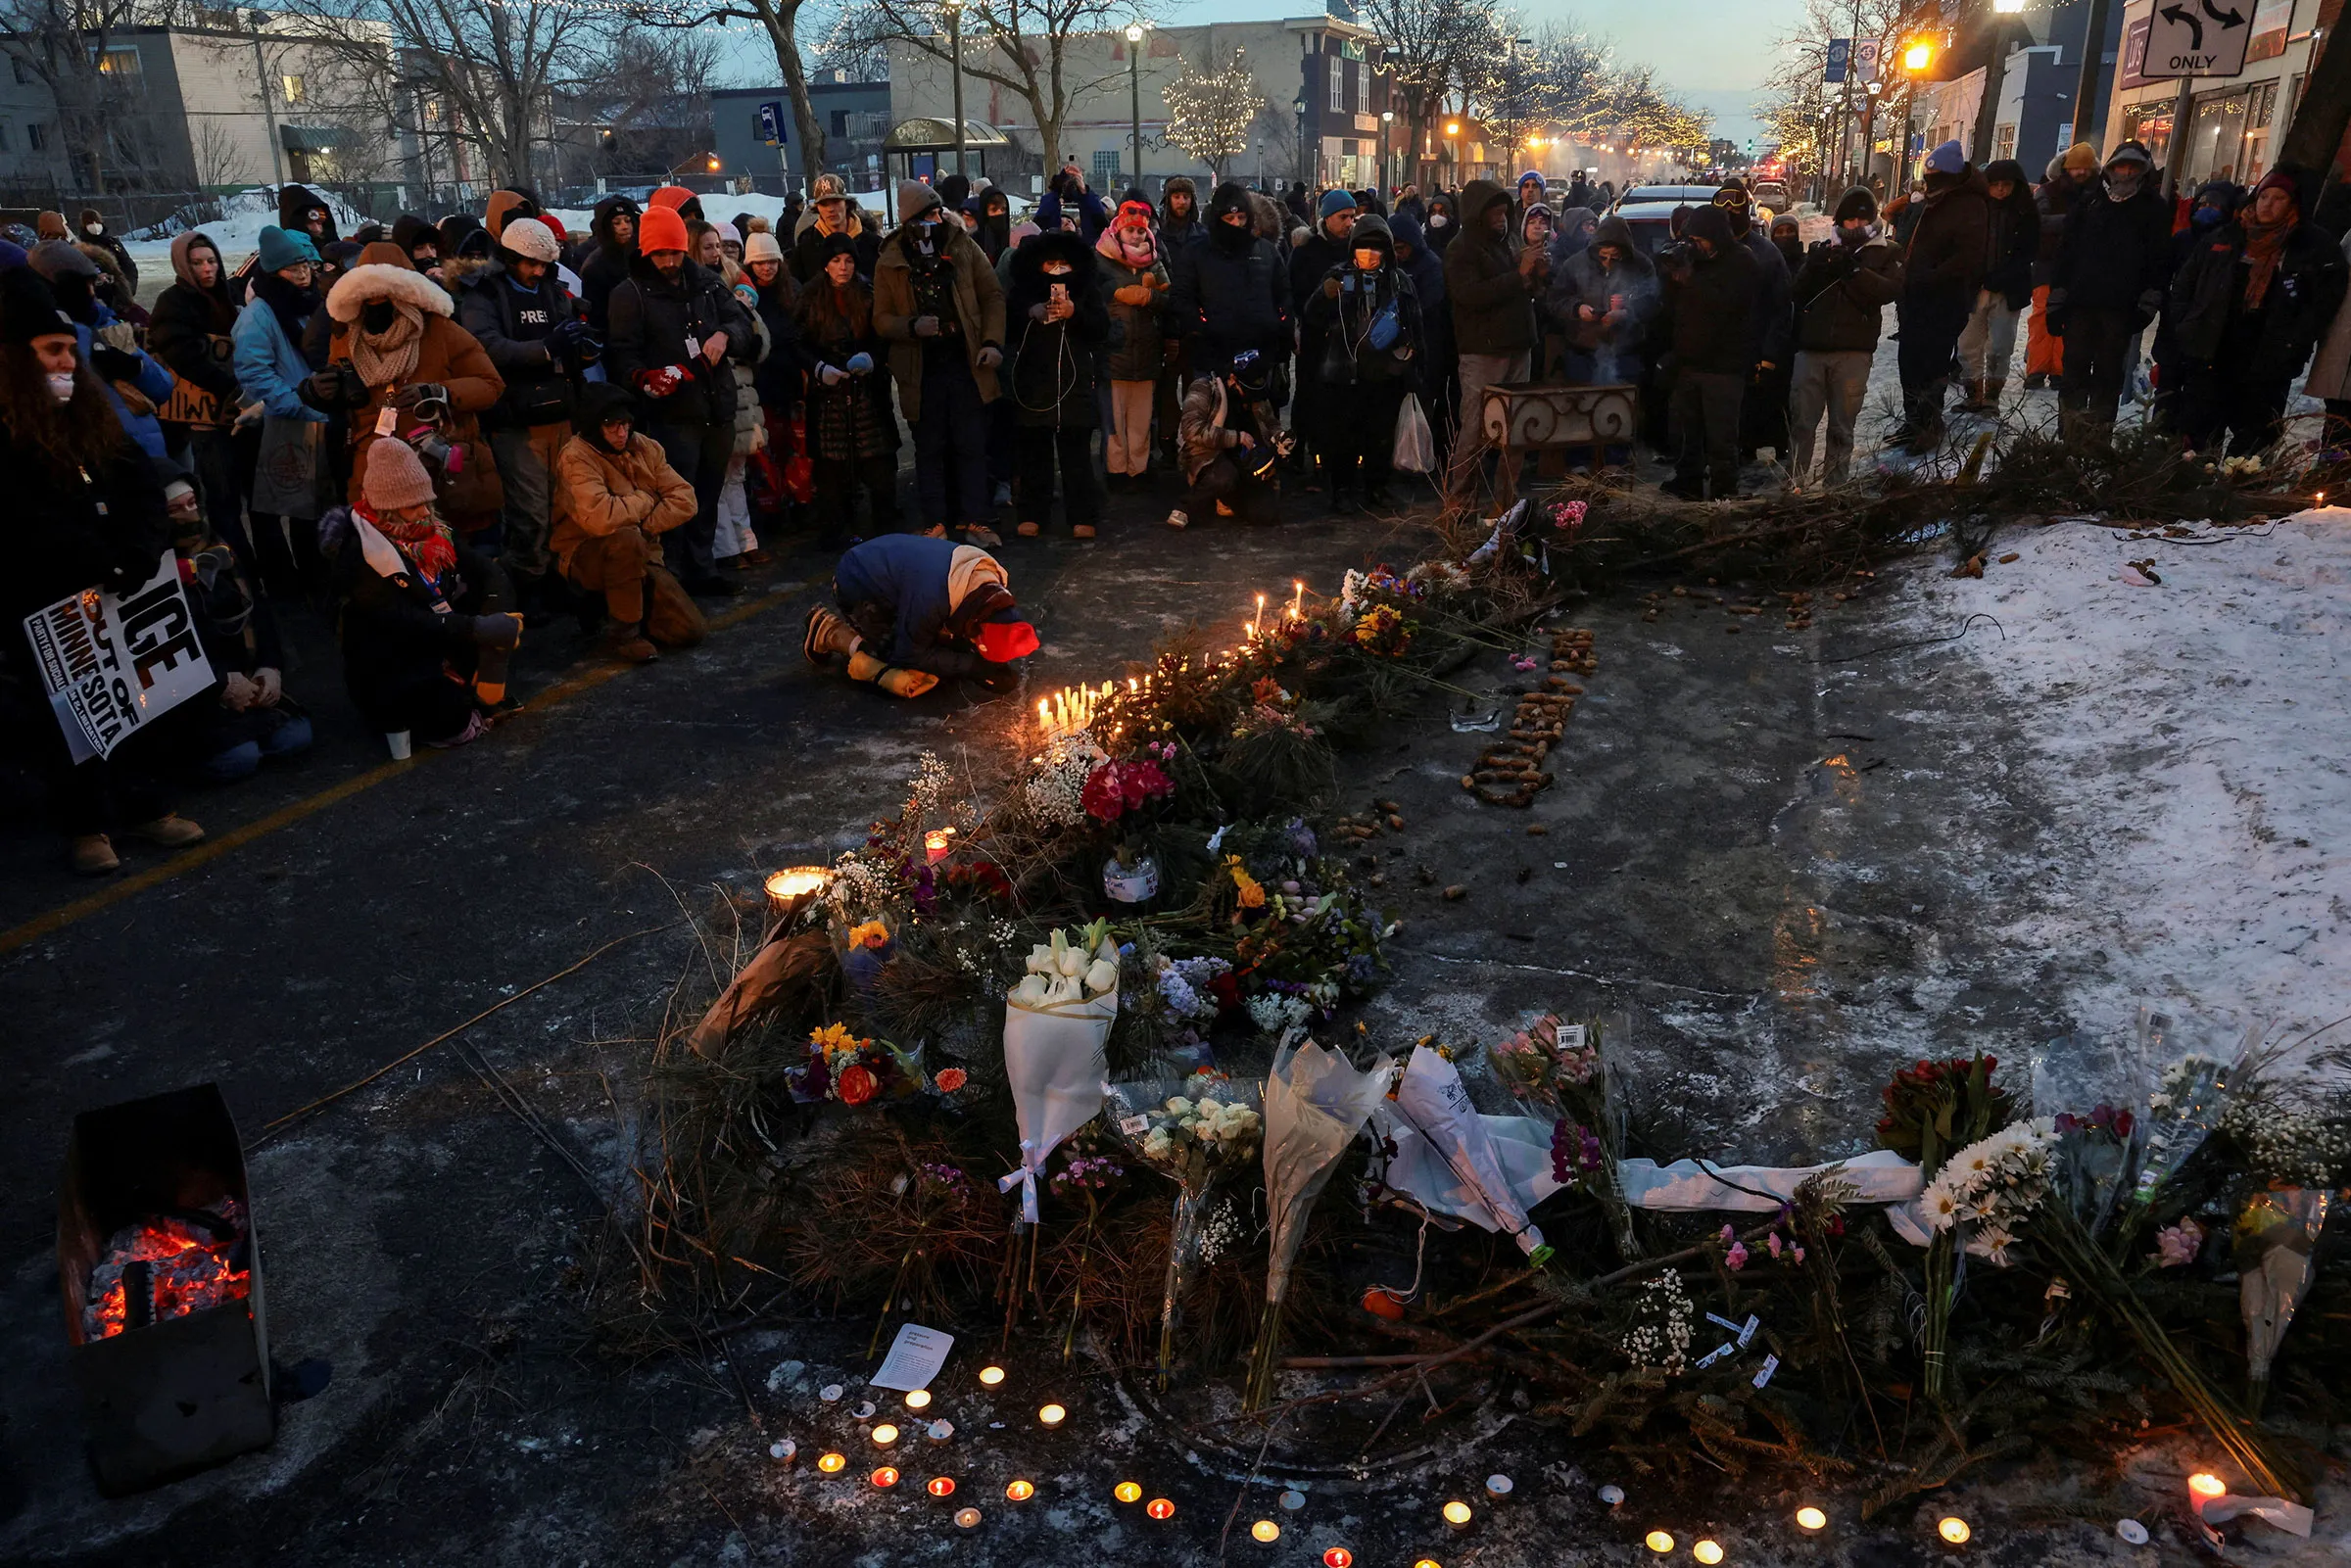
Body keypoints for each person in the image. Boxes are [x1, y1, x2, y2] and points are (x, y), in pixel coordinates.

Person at [0, 266, 206, 875]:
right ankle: (85, 824)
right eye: (53, 350)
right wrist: (100, 556)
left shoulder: (86, 409)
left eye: (69, 349)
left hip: (118, 587)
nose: (67, 362)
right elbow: (21, 515)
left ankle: (145, 805)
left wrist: (141, 548)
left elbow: (139, 477)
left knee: (135, 697)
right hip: (45, 595)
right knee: (64, 713)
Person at [324, 438, 518, 746]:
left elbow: (486, 570)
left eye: (426, 501)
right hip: (390, 665)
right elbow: (402, 621)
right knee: (450, 713)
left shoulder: (432, 532)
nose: (425, 512)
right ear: (388, 507)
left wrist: (493, 612)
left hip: (433, 646)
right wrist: (475, 629)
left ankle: (467, 689)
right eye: (414, 505)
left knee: (495, 619)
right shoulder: (360, 557)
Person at [607, 201, 758, 593]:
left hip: (716, 404)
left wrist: (725, 336)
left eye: (674, 251)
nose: (670, 261)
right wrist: (643, 378)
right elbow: (622, 355)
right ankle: (672, 574)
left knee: (708, 493)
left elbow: (742, 322)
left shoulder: (706, 283)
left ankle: (702, 568)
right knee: (676, 497)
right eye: (661, 254)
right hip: (673, 413)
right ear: (646, 252)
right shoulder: (631, 294)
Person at [317, 246, 507, 553]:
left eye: (387, 293)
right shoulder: (346, 339)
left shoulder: (440, 330)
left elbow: (490, 385)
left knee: (465, 560)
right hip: (380, 477)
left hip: (444, 470)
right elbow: (346, 401)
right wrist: (318, 391)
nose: (378, 302)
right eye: (370, 295)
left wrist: (439, 392)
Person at [456, 216, 593, 618]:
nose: (538, 272)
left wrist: (583, 347)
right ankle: (527, 584)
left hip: (559, 409)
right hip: (515, 418)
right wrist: (545, 348)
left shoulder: (553, 290)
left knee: (563, 503)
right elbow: (485, 346)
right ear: (510, 258)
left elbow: (570, 336)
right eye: (531, 264)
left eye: (544, 265)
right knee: (528, 509)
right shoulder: (483, 294)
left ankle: (559, 577)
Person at [2167, 167, 2347, 455]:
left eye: (2278, 198)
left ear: (2293, 204)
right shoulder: (2224, 237)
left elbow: (2323, 304)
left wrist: (2294, 342)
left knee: (2253, 444)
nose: (2268, 205)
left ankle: (2242, 494)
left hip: (2267, 360)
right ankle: (2190, 493)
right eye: (2264, 196)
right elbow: (2185, 285)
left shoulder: (2311, 247)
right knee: (2198, 437)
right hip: (2212, 352)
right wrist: (2187, 324)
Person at [876, 179, 1007, 546]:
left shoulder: (961, 244)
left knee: (971, 444)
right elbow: (881, 318)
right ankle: (935, 521)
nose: (938, 218)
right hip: (920, 369)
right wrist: (912, 326)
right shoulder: (891, 259)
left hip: (965, 362)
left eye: (938, 211)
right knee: (929, 448)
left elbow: (992, 295)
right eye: (928, 214)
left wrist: (992, 341)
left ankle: (976, 519)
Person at [552, 382, 706, 662]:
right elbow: (601, 519)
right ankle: (624, 634)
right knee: (624, 540)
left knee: (690, 631)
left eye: (625, 424)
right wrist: (647, 500)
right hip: (585, 551)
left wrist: (643, 526)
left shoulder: (645, 447)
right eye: (612, 426)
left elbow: (685, 500)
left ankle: (623, 606)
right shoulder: (576, 456)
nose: (621, 433)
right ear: (594, 426)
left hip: (642, 549)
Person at [802, 532, 1037, 697]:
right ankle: (831, 633)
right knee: (903, 667)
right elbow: (909, 653)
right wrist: (973, 666)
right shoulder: (933, 599)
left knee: (946, 656)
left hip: (892, 571)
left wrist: (978, 660)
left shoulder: (992, 582)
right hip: (856, 583)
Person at [232, 225, 335, 599]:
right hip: (290, 423)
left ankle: (323, 576)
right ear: (275, 273)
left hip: (322, 416)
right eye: (294, 269)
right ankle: (308, 587)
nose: (303, 273)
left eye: (305, 266)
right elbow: (254, 373)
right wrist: (295, 401)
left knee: (323, 507)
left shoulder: (309, 304)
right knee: (301, 514)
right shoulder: (259, 316)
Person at [2047, 140, 2172, 435]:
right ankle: (2069, 432)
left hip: (2120, 307)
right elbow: (2066, 253)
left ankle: (2098, 437)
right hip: (2080, 303)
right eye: (2120, 166)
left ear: (2143, 170)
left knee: (2108, 374)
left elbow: (2159, 260)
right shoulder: (2091, 202)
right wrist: (2057, 297)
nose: (2125, 173)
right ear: (2111, 168)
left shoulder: (2153, 208)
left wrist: (2148, 301)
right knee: (2074, 370)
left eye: (2133, 167)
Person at [1304, 213, 1422, 512]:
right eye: (1362, 246)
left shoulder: (1398, 280)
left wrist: (1412, 367)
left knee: (1380, 436)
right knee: (1342, 437)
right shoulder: (1337, 276)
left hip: (1384, 374)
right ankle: (1341, 489)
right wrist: (1325, 295)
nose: (1368, 253)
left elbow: (1416, 325)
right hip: (1344, 373)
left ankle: (1376, 487)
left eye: (1376, 247)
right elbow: (1312, 317)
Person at [149, 231, 253, 570]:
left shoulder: (227, 295)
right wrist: (231, 389)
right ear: (183, 265)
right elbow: (183, 356)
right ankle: (240, 570)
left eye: (212, 261)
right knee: (222, 501)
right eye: (197, 263)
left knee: (256, 497)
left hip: (241, 411)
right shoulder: (173, 302)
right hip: (206, 419)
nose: (207, 269)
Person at [1788, 189, 1903, 487]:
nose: (1854, 224)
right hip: (1812, 348)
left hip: (1854, 353)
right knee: (1801, 422)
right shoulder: (1824, 247)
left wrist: (1854, 271)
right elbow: (1797, 294)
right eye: (1849, 218)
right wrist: (1813, 266)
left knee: (1842, 427)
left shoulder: (1886, 251)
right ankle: (1794, 484)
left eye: (1861, 218)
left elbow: (1888, 291)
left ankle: (1834, 488)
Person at [1443, 178, 1544, 507]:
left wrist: (1536, 273)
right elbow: (1470, 295)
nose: (1502, 218)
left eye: (1504, 212)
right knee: (1474, 429)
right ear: (1478, 214)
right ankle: (1459, 504)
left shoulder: (1507, 241)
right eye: (1495, 213)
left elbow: (1519, 289)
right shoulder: (1462, 248)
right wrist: (1518, 275)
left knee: (1514, 430)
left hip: (1517, 344)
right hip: (1483, 351)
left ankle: (1506, 503)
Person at [795, 233, 899, 546]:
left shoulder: (869, 292)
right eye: (836, 261)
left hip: (867, 393)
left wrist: (872, 357)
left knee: (879, 466)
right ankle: (837, 529)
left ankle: (885, 527)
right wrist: (818, 368)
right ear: (825, 265)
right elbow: (797, 342)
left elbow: (883, 335)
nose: (843, 267)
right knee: (832, 471)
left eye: (849, 260)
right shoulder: (810, 297)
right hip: (829, 397)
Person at [1004, 228, 1108, 539]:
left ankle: (1082, 514)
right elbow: (1007, 325)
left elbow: (1101, 328)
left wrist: (1076, 313)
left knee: (1076, 455)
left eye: (1063, 263)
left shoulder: (1087, 291)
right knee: (1034, 453)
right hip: (1034, 383)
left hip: (1074, 383)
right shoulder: (1023, 291)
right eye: (1050, 263)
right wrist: (1029, 313)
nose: (1058, 269)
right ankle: (1033, 512)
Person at [1886, 142, 1988, 452]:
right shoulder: (1930, 202)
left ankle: (1928, 425)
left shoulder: (1970, 206)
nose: (1930, 183)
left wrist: (1927, 277)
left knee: (1932, 365)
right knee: (1910, 362)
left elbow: (1967, 258)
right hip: (1915, 297)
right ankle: (1912, 421)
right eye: (1927, 177)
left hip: (1944, 300)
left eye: (1935, 177)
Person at [1657, 204, 1758, 500]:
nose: (1695, 246)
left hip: (1724, 366)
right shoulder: (1694, 261)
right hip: (1688, 362)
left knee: (1721, 435)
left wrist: (1691, 281)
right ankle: (1688, 480)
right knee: (1685, 430)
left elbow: (1728, 306)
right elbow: (1674, 307)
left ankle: (1723, 490)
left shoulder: (1742, 261)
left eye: (1699, 240)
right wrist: (1672, 277)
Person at [1168, 182, 1292, 380]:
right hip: (1212, 358)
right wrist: (1201, 326)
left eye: (1241, 218)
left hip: (1260, 356)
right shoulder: (1197, 252)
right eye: (1230, 218)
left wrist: (1279, 325)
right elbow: (1181, 298)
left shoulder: (1266, 251)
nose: (1236, 224)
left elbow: (1283, 295)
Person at [1094, 196, 1168, 495]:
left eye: (1141, 230)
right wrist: (1116, 292)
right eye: (1131, 230)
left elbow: (1168, 297)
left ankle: (1138, 468)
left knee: (1140, 416)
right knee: (1114, 418)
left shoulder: (1155, 259)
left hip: (1147, 350)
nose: (1136, 235)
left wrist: (1152, 298)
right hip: (1115, 350)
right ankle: (1116, 469)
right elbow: (1094, 292)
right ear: (1118, 229)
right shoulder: (1100, 258)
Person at [1955, 159, 2039, 413]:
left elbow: (2027, 252)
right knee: (1968, 344)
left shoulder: (2026, 213)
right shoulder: (1974, 210)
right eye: (1995, 184)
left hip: (2007, 289)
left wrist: (2003, 277)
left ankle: (1991, 396)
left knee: (2000, 346)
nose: (2000, 189)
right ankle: (1973, 394)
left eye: (2006, 184)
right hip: (1974, 288)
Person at [1170, 349, 1287, 529]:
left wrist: (1280, 437)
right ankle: (1185, 507)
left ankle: (1227, 499)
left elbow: (1270, 422)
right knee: (1224, 476)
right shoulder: (1204, 389)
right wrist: (1235, 437)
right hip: (1209, 458)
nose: (1251, 396)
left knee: (1265, 515)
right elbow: (1191, 430)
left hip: (1246, 462)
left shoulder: (1256, 394)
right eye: (1247, 389)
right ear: (1232, 379)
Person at [1549, 213, 1656, 397]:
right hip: (1583, 353)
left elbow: (1652, 301)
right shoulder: (1575, 264)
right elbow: (1556, 299)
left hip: (1626, 354)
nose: (1607, 262)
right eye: (1603, 256)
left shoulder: (1641, 265)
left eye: (1614, 257)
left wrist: (1626, 313)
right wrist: (1577, 308)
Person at [2026, 144, 2098, 388]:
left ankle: (2059, 370)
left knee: (2070, 323)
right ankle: (2036, 369)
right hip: (2048, 266)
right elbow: (2039, 222)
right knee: (2041, 319)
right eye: (2076, 167)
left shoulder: (2098, 194)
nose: (2080, 172)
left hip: (2081, 269)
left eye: (2085, 168)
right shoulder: (2047, 192)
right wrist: (2074, 221)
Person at [792, 174, 875, 284]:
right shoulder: (806, 245)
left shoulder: (872, 243)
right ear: (817, 208)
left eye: (835, 201)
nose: (830, 209)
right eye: (824, 204)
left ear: (847, 204)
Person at [579, 195, 640, 330]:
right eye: (617, 223)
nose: (625, 227)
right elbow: (597, 318)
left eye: (628, 221)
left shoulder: (642, 257)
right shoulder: (595, 268)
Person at [1038, 165, 1109, 242]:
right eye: (1061, 221)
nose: (1066, 222)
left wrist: (1084, 191)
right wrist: (1057, 189)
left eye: (1069, 220)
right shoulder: (1048, 246)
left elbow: (1098, 222)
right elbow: (1042, 220)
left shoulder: (1087, 246)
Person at [77, 209, 137, 294]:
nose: (95, 225)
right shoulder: (80, 247)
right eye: (90, 223)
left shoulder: (112, 243)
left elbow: (128, 266)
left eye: (97, 222)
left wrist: (128, 289)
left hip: (118, 293)